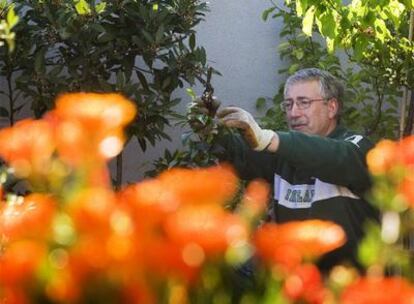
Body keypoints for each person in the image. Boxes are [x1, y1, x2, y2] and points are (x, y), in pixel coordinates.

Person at [190, 68, 379, 272]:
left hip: (346, 287)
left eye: (304, 103)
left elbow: (332, 157)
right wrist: (211, 130)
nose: (294, 113)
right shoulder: (284, 154)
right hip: (294, 282)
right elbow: (239, 155)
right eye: (288, 104)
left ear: (332, 107)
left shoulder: (357, 148)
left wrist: (266, 138)